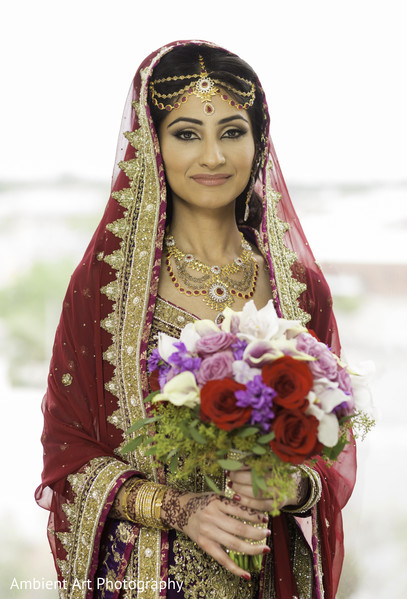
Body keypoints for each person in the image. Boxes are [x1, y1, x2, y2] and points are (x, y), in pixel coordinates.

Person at [36, 40, 356, 599]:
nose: (213, 156)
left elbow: (332, 446)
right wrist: (180, 509)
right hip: (148, 580)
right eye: (187, 134)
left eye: (232, 131)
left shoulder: (299, 289)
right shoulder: (103, 293)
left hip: (269, 572)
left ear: (258, 143)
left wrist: (287, 485)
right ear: (152, 146)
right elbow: (67, 457)